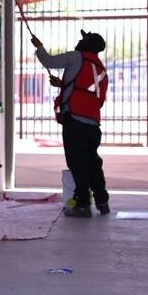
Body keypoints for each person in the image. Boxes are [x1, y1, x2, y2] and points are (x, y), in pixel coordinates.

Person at [31, 29, 110, 218]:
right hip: (92, 122)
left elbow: (49, 61)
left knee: (78, 162)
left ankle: (82, 205)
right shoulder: (99, 67)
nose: (78, 42)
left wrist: (39, 47)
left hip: (75, 119)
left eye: (83, 40)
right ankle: (102, 201)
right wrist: (62, 85)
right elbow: (86, 89)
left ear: (87, 44)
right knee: (92, 162)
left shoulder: (76, 57)